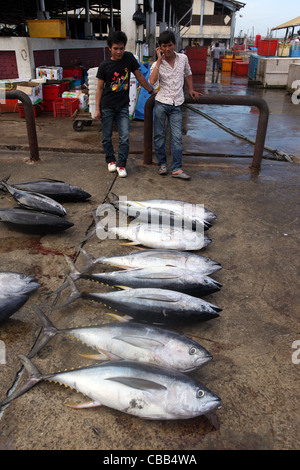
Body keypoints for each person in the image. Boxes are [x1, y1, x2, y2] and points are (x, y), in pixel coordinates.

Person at [95, 31, 155, 177]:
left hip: (123, 106)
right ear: (109, 48)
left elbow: (139, 75)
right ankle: (110, 160)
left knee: (125, 137)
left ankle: (121, 164)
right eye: (116, 48)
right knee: (106, 136)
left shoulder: (128, 58)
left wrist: (151, 90)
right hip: (107, 106)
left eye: (121, 48)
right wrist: (97, 109)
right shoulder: (104, 65)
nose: (119, 51)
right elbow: (99, 88)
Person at [149, 30, 200, 180]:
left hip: (177, 104)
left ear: (175, 44)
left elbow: (188, 73)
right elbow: (152, 81)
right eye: (164, 46)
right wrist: (159, 60)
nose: (167, 49)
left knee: (177, 137)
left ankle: (177, 168)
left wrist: (191, 89)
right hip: (161, 103)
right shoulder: (156, 64)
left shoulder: (183, 58)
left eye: (170, 45)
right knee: (159, 136)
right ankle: (162, 165)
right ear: (160, 47)